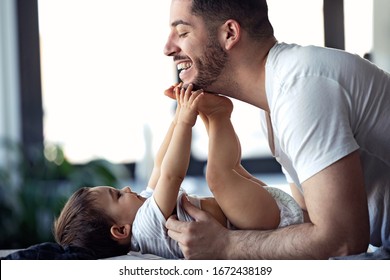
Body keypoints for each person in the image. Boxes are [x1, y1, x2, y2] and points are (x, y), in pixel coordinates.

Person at [163, 0, 390, 259]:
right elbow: (305, 221)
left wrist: (225, 245)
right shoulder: (277, 97)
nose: (168, 49)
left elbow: (342, 240)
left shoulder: (300, 86)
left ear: (230, 34)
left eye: (182, 33)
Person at [53, 84, 303, 259]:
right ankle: (218, 116)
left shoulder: (146, 207)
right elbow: (172, 175)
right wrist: (185, 120)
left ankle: (214, 115)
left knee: (229, 170)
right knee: (218, 175)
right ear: (121, 231)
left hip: (257, 216)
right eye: (118, 195)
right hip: (262, 224)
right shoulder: (146, 228)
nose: (126, 189)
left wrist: (176, 118)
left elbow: (160, 166)